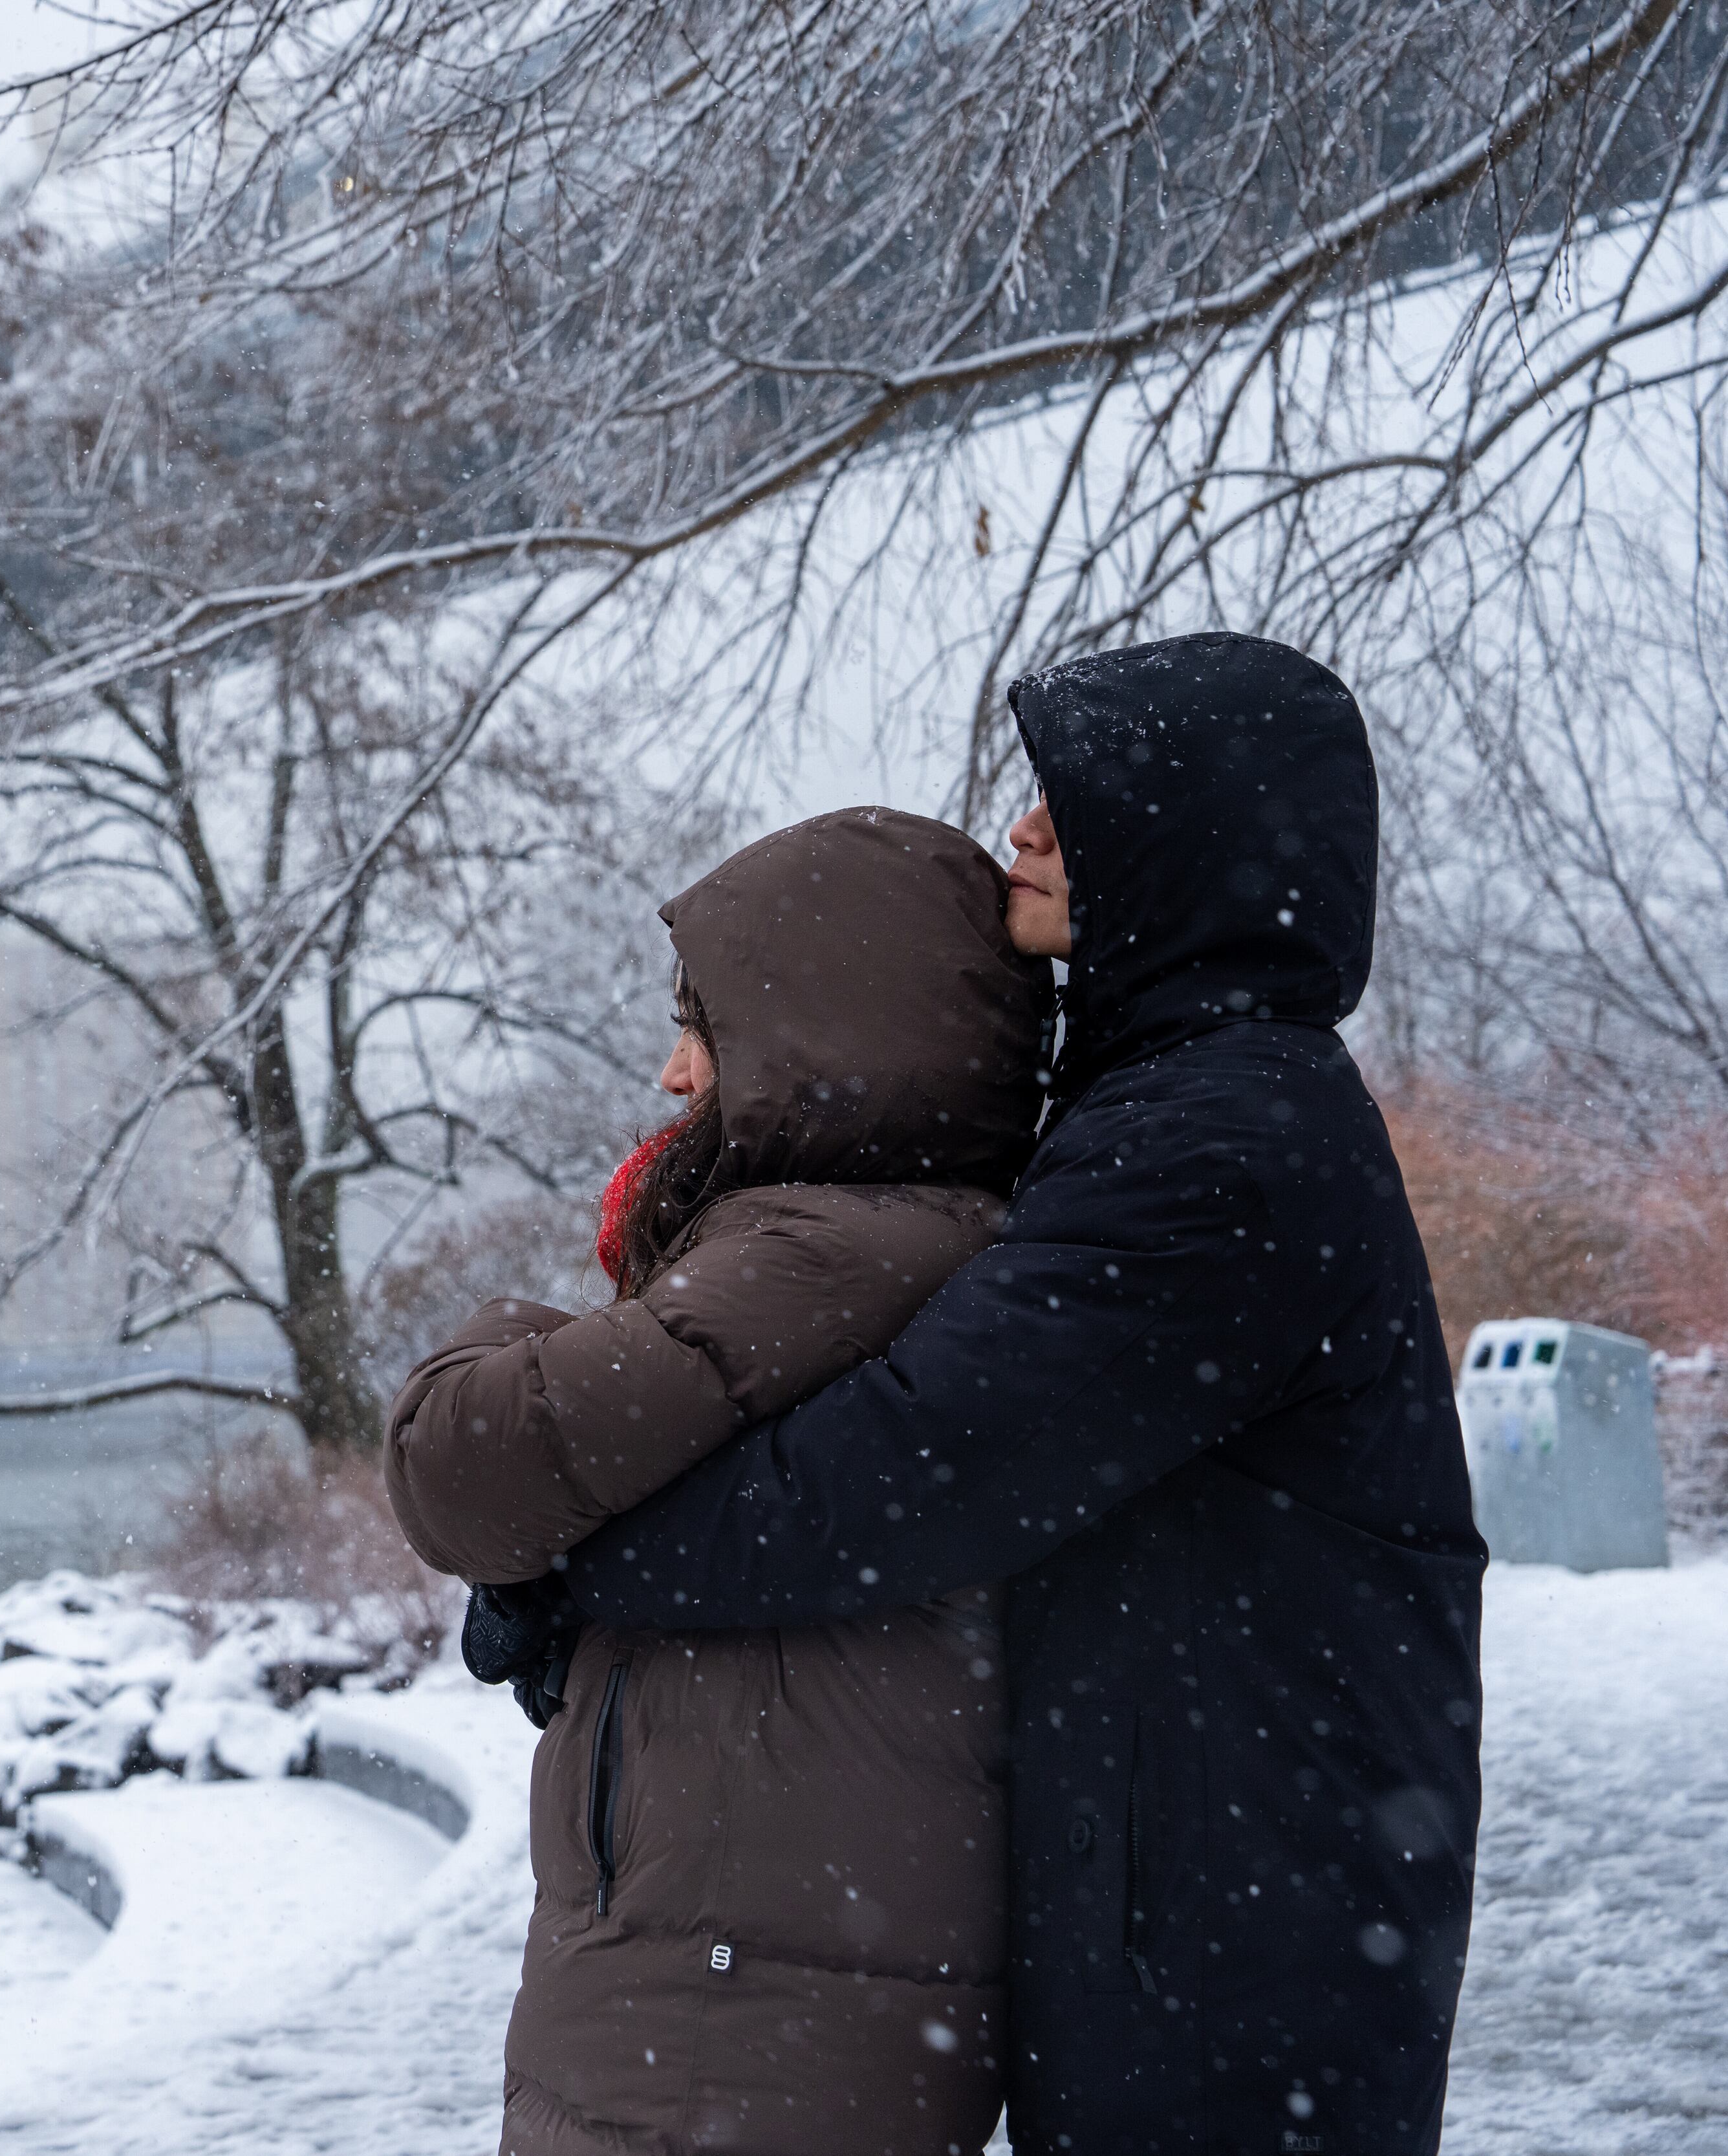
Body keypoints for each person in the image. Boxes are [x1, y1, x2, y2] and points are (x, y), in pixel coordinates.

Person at [558, 633, 1485, 2154]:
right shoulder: (1184, 1097)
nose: (1028, 827)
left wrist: (580, 1557)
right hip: (1218, 1888)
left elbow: (910, 1468)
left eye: (1080, 797)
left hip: (1231, 1933)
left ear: (1196, 842)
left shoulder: (1218, 1140)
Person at [385, 805, 1055, 2156]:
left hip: (728, 2020)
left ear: (827, 1039)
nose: (673, 1068)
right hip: (747, 1986)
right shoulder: (894, 1240)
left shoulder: (820, 1255)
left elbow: (458, 1470)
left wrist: (508, 1328)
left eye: (708, 1024)